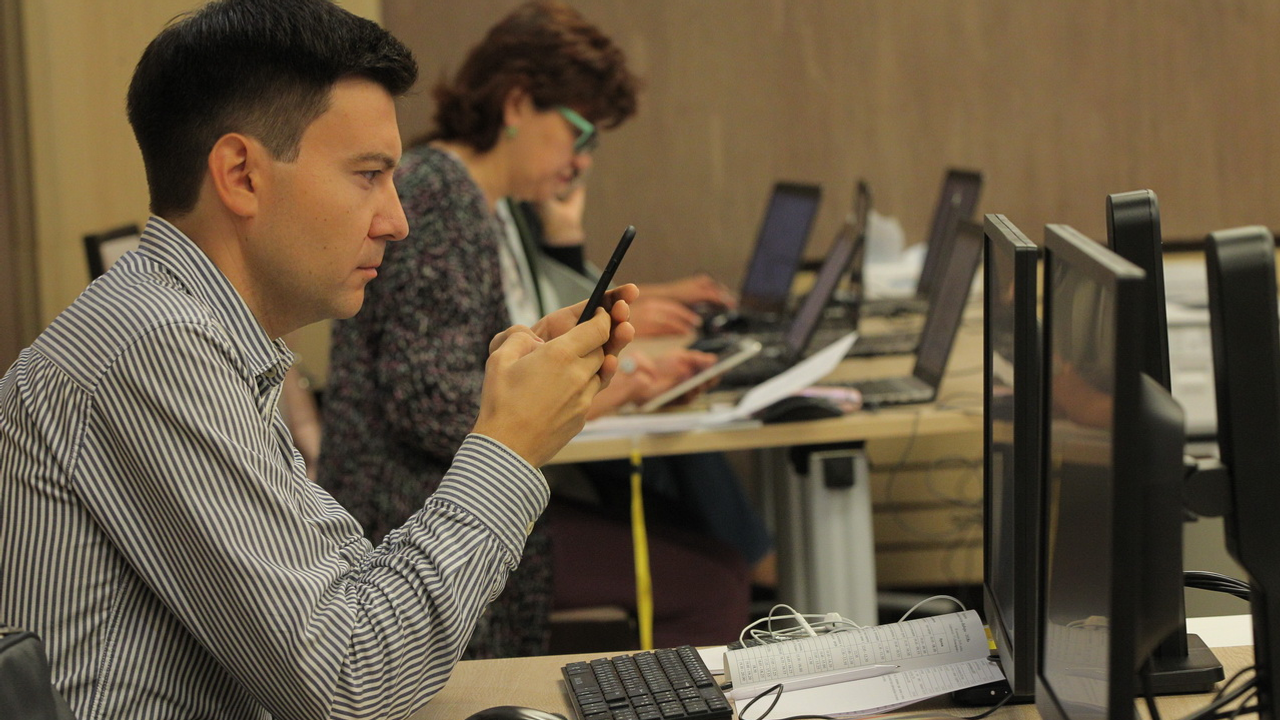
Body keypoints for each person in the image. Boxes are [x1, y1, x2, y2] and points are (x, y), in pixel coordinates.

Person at [0, 1, 635, 718]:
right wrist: (509, 445)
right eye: (368, 175)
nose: (397, 221)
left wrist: (503, 417)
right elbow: (349, 678)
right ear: (241, 174)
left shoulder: (208, 338)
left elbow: (347, 591)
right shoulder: (153, 344)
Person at [320, 0, 755, 654]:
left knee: (702, 541)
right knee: (712, 581)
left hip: (444, 496)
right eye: (580, 133)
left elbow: (469, 368)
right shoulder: (439, 195)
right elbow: (430, 402)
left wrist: (580, 375)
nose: (582, 161)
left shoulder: (483, 202)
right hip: (414, 516)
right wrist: (595, 394)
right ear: (519, 103)